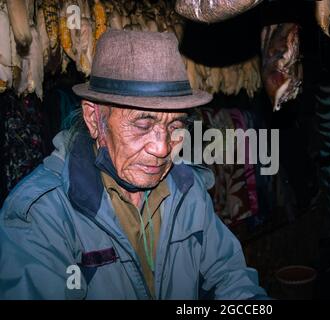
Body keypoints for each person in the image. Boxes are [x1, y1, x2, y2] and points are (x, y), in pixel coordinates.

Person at [0, 30, 267, 300]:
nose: (162, 148)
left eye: (175, 126)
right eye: (143, 124)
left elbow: (230, 279)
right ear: (94, 119)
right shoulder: (41, 214)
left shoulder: (188, 188)